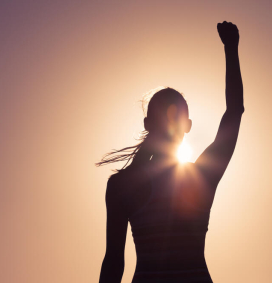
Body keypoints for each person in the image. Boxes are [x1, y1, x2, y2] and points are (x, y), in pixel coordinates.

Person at [97, 21, 245, 283]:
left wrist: (231, 49)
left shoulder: (122, 185)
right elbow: (234, 112)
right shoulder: (201, 176)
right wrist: (231, 49)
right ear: (187, 128)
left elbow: (113, 262)